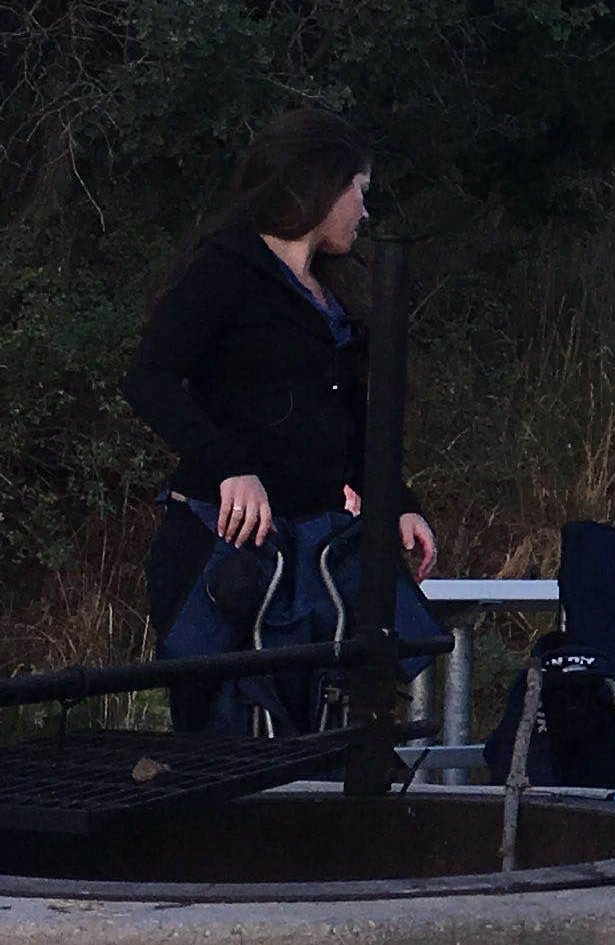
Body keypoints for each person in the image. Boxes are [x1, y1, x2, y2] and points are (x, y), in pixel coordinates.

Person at [126, 109, 439, 659]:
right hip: (226, 546)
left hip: (312, 549)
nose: (364, 210)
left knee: (337, 690)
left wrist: (395, 502)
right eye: (359, 191)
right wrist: (229, 466)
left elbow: (351, 423)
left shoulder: (332, 292)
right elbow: (149, 378)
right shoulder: (226, 269)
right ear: (324, 187)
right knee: (225, 705)